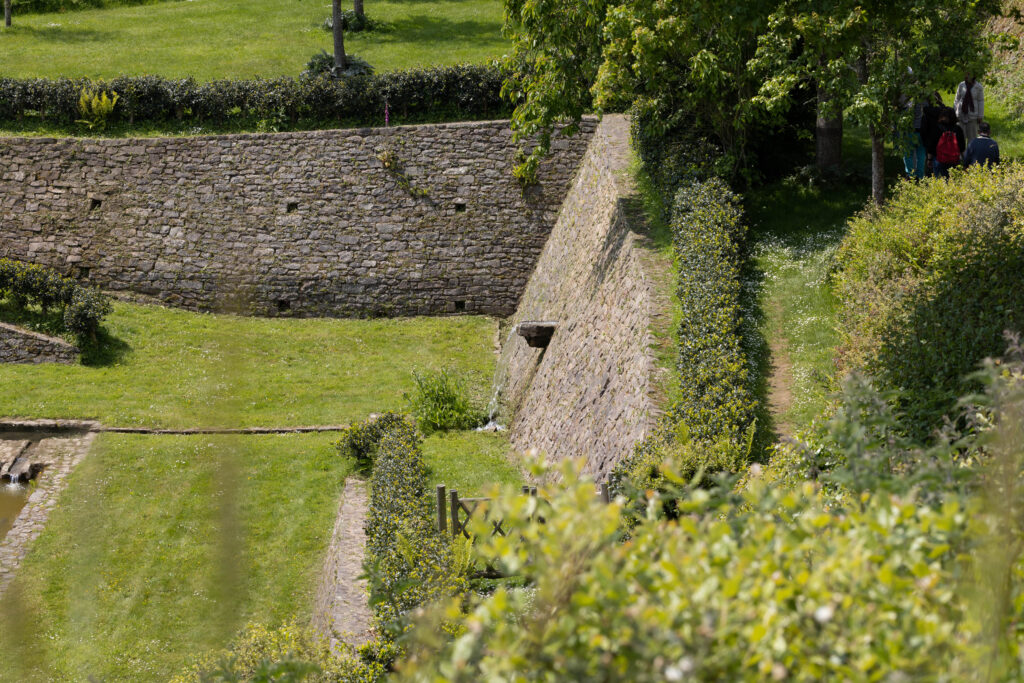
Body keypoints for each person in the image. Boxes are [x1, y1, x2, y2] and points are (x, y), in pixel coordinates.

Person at [933, 107, 965, 179]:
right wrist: (964, 161)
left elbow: (932, 145)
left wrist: (929, 159)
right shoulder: (958, 129)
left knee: (939, 181)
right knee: (953, 181)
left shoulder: (938, 128)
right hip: (954, 160)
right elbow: (962, 146)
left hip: (939, 159)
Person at [920, 92, 945, 177]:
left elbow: (923, 130)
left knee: (929, 166)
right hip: (943, 142)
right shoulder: (945, 112)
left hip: (930, 144)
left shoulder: (926, 114)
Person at [954, 73, 984, 142]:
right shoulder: (961, 85)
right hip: (961, 114)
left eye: (969, 74)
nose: (966, 76)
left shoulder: (978, 87)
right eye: (966, 74)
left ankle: (970, 152)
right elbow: (957, 99)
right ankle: (962, 152)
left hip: (973, 115)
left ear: (973, 76)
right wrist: (955, 111)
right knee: (960, 138)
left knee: (972, 138)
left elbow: (981, 101)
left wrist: (980, 115)